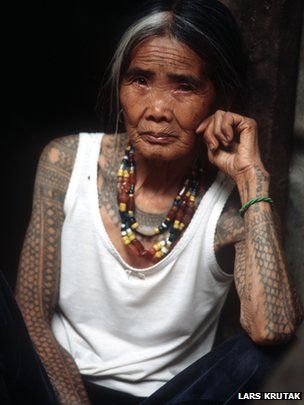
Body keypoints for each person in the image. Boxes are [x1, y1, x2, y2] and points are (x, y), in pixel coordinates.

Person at [15, 0, 303, 404]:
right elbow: (29, 310)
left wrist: (251, 178)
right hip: (56, 383)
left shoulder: (228, 206)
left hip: (172, 396)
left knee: (268, 363)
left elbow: (273, 330)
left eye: (184, 85)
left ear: (221, 97)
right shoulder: (65, 161)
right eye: (140, 80)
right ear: (120, 86)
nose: (157, 110)